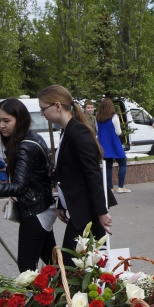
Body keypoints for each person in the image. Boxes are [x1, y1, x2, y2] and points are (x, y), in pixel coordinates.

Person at [0, 99, 56, 271]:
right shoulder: (31, 138)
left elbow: (19, 187)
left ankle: (55, 295)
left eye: (7, 121)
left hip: (35, 210)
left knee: (27, 269)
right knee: (55, 264)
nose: (1, 125)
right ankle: (68, 292)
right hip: (42, 207)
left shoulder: (24, 147)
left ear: (19, 120)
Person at [39, 85, 112, 266]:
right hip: (80, 207)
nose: (42, 113)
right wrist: (61, 203)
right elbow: (69, 174)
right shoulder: (67, 131)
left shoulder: (77, 132)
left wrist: (102, 212)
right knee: (87, 265)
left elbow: (93, 174)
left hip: (88, 209)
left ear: (57, 106)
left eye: (43, 109)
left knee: (73, 264)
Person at [95, 98, 130, 194]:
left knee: (108, 166)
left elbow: (98, 131)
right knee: (122, 162)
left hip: (103, 144)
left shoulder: (97, 118)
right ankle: (120, 186)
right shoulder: (114, 117)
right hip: (114, 142)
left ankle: (110, 187)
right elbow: (118, 132)